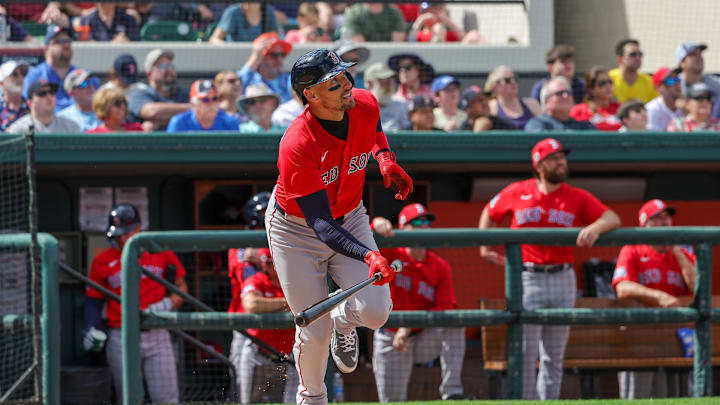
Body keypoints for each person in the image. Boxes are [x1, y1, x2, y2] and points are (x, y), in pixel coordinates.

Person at [266, 48, 412, 404]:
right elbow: (319, 223)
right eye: (333, 83)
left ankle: (344, 319)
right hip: (296, 230)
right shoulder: (297, 142)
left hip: (351, 214)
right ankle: (311, 397)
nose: (346, 84)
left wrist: (385, 158)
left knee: (376, 312)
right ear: (310, 95)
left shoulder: (362, 102)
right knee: (314, 330)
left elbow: (374, 126)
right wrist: (367, 255)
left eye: (346, 75)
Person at [478, 137, 621, 400]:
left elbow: (612, 217)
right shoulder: (517, 191)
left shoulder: (576, 196)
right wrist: (485, 246)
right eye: (555, 158)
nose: (562, 162)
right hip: (528, 277)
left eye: (562, 158)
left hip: (562, 276)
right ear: (539, 164)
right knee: (525, 352)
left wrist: (595, 227)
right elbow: (490, 210)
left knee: (553, 356)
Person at [84, 204, 188, 404]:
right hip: (121, 334)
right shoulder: (102, 261)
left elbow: (182, 288)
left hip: (157, 330)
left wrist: (167, 303)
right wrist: (90, 327)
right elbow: (93, 301)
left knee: (166, 398)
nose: (122, 239)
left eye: (127, 233)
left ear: (139, 228)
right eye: (118, 235)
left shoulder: (160, 252)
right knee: (127, 398)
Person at [371, 203, 469, 402]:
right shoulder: (390, 253)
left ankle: (452, 393)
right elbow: (365, 242)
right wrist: (376, 223)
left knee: (455, 324)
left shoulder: (439, 266)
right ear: (402, 228)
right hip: (390, 337)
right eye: (416, 222)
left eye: (426, 222)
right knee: (392, 401)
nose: (423, 226)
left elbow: (445, 307)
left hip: (423, 336)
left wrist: (407, 326)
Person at [612, 199, 696, 399]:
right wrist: (658, 296)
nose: (664, 221)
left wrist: (678, 253)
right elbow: (622, 287)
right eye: (657, 218)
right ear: (645, 225)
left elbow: (697, 287)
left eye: (667, 216)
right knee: (638, 397)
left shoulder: (682, 253)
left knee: (678, 398)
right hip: (642, 336)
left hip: (676, 338)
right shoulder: (632, 249)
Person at [238, 247, 299, 404]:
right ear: (263, 265)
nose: (274, 266)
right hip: (258, 354)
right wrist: (288, 302)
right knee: (249, 402)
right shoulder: (256, 280)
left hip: (289, 357)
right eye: (269, 263)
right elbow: (252, 304)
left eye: (276, 262)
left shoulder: (295, 281)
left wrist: (270, 305)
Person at [227, 192, 271, 401]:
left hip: (279, 325)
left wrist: (264, 258)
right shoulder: (239, 244)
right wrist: (267, 261)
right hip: (247, 324)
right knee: (243, 391)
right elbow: (249, 279)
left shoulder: (282, 240)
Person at [23, 24, 100, 112]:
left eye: (68, 41)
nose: (66, 45)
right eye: (60, 41)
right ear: (46, 48)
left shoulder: (85, 75)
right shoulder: (34, 76)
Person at [128, 49, 191, 131]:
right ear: (149, 73)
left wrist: (160, 121)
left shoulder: (183, 93)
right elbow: (152, 112)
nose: (169, 70)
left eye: (171, 65)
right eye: (162, 67)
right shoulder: (139, 94)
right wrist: (192, 108)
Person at [8, 79, 81, 134]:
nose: (49, 96)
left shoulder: (71, 127)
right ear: (29, 102)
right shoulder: (19, 129)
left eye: (52, 92)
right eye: (42, 93)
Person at [237, 32, 294, 103]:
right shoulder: (250, 79)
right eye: (274, 55)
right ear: (259, 57)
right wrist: (255, 56)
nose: (280, 59)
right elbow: (236, 84)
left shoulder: (289, 80)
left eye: (282, 54)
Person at [526, 77, 597, 132]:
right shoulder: (536, 125)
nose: (566, 96)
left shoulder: (584, 127)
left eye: (568, 92)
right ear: (546, 102)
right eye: (559, 93)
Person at [167, 79, 239, 133]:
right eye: (205, 100)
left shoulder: (230, 122)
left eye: (215, 99)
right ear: (193, 104)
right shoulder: (179, 123)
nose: (211, 104)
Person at [486, 65, 541, 130]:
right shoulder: (490, 107)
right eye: (507, 80)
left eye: (514, 78)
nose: (513, 82)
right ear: (495, 87)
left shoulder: (532, 104)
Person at [569, 66, 622, 131]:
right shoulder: (578, 111)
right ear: (591, 89)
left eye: (610, 82)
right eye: (602, 83)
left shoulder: (620, 109)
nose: (608, 86)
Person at [364, 62, 410, 131]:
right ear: (370, 84)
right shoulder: (361, 108)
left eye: (391, 80)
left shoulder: (402, 105)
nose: (389, 85)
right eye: (384, 81)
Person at [609, 39, 658, 103]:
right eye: (633, 54)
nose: (638, 58)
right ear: (620, 59)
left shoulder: (649, 81)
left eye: (640, 54)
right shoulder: (609, 79)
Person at [407, 2, 480, 43]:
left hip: (450, 64)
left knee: (474, 35)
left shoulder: (450, 34)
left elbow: (466, 39)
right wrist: (421, 20)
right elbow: (410, 41)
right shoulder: (419, 34)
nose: (434, 12)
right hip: (425, 65)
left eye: (438, 9)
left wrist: (447, 21)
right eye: (430, 10)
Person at [676, 41, 720, 107]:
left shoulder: (716, 85)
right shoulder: (674, 86)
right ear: (682, 62)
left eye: (700, 54)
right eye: (693, 54)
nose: (699, 57)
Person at [210, 2, 279, 43]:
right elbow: (214, 39)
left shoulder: (268, 12)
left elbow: (274, 37)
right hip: (235, 61)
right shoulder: (233, 12)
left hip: (260, 62)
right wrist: (230, 48)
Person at [77, 2, 141, 42]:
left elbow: (137, 43)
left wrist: (127, 42)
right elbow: (85, 46)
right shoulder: (86, 20)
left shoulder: (129, 19)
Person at [341, 3, 406, 42]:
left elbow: (396, 44)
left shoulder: (394, 12)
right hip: (362, 59)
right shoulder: (354, 13)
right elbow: (359, 46)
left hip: (388, 58)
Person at [645, 67, 684, 131]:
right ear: (658, 88)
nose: (677, 84)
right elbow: (653, 139)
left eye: (677, 79)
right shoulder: (652, 110)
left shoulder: (686, 107)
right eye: (670, 81)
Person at [0, 60, 30, 131]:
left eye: (23, 74)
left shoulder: (33, 107)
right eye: (15, 74)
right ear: (2, 82)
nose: (20, 78)